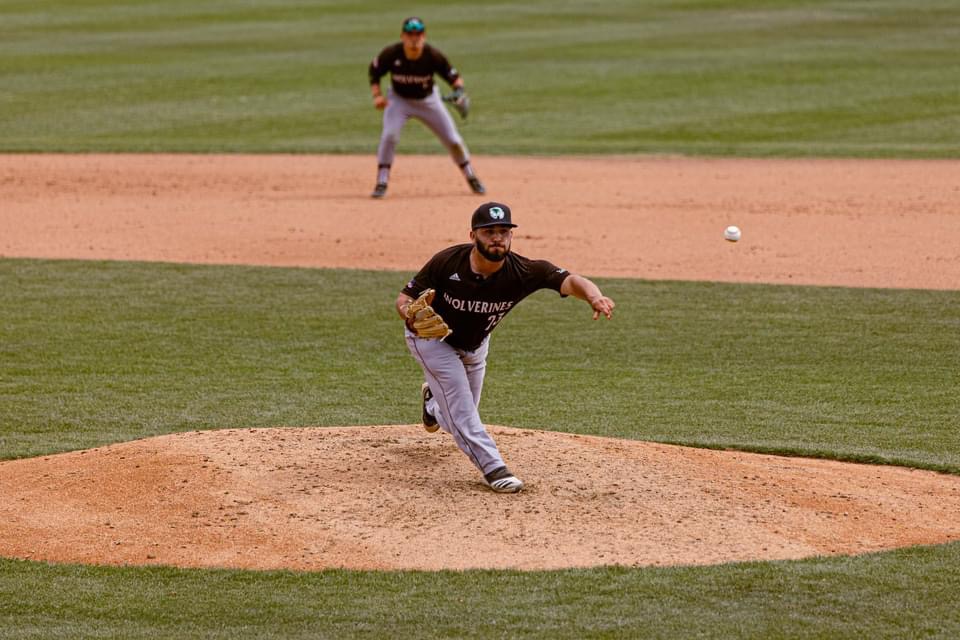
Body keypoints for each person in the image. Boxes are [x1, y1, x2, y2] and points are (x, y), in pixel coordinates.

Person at [396, 202, 616, 493]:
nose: (497, 238)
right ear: (473, 235)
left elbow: (570, 280)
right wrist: (411, 315)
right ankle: (494, 468)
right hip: (432, 341)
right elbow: (404, 299)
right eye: (489, 232)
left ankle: (433, 405)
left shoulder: (523, 271)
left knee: (453, 419)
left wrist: (594, 296)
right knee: (463, 413)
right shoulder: (447, 262)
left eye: (503, 231)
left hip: (475, 346)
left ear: (511, 236)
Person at [368, 16, 485, 198]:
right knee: (389, 135)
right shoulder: (391, 53)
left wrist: (459, 91)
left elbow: (454, 78)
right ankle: (382, 181)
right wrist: (377, 95)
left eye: (418, 34)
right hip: (399, 101)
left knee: (453, 140)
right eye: (410, 34)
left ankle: (471, 176)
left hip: (428, 101)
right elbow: (374, 72)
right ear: (403, 36)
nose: (414, 38)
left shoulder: (432, 55)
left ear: (424, 36)